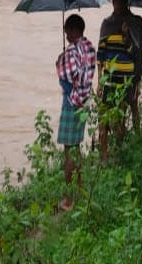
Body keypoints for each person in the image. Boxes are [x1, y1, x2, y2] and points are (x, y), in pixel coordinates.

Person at [55, 14, 96, 211]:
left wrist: (59, 61)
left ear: (73, 30)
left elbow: (67, 77)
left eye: (66, 30)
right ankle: (80, 190)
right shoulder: (89, 47)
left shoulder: (71, 52)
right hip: (84, 103)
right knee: (77, 147)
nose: (65, 34)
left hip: (71, 104)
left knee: (68, 150)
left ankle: (68, 199)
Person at [97, 0, 142, 160]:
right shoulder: (106, 24)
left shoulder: (132, 23)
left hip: (126, 77)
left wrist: (126, 37)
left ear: (125, 3)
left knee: (121, 115)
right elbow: (101, 53)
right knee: (104, 115)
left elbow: (134, 53)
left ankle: (117, 151)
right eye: (115, 1)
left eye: (121, 1)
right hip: (109, 77)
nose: (117, 4)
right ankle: (104, 153)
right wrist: (100, 80)